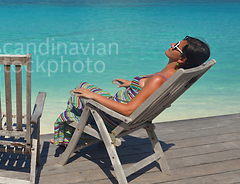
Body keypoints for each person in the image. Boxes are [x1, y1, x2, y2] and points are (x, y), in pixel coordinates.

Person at [51, 36, 211, 146]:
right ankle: (72, 135)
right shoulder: (172, 77)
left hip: (115, 118)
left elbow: (128, 110)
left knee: (79, 95)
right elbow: (148, 91)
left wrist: (92, 96)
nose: (171, 44)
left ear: (182, 60)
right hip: (134, 117)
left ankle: (70, 137)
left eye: (176, 46)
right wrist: (132, 84)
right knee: (84, 86)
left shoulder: (159, 80)